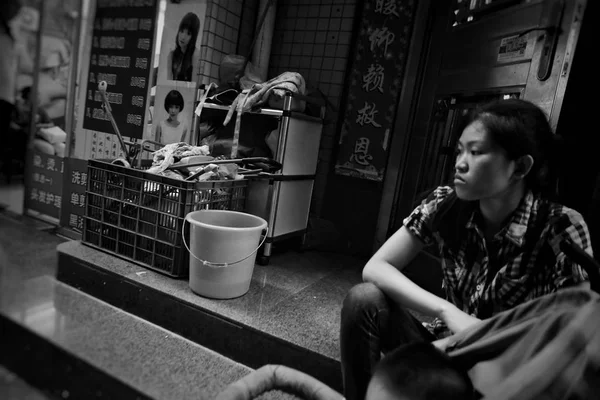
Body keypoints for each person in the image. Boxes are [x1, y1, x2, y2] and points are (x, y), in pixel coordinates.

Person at [339, 98, 595, 400]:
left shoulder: (561, 226)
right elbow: (376, 267)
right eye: (460, 150)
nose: (460, 162)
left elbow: (575, 334)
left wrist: (489, 336)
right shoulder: (446, 203)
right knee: (363, 301)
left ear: (520, 167)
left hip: (511, 375)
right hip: (449, 353)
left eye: (475, 152)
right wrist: (446, 311)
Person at [167, 12, 200, 82]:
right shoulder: (171, 55)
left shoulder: (195, 54)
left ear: (193, 37)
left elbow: (194, 85)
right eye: (181, 31)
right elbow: (169, 83)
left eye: (188, 34)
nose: (183, 37)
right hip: (172, 92)